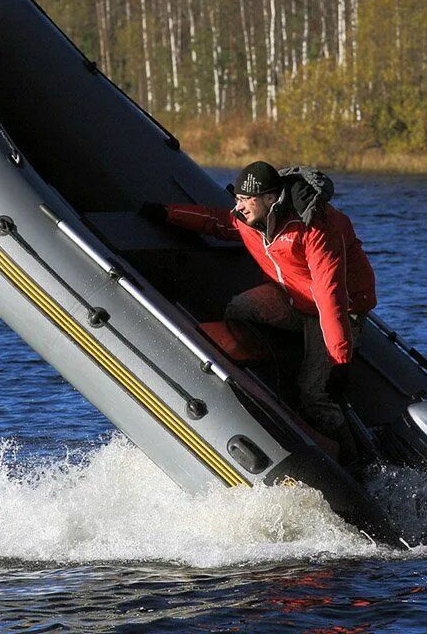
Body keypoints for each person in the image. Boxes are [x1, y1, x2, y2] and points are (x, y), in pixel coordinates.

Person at [139, 161, 377, 462]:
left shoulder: (314, 225)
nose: (238, 207)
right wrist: (168, 213)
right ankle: (271, 377)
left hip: (335, 310)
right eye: (236, 199)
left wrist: (339, 357)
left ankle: (354, 461)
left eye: (244, 200)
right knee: (241, 308)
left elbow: (330, 293)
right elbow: (219, 223)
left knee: (314, 394)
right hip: (294, 299)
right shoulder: (247, 219)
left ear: (269, 198)